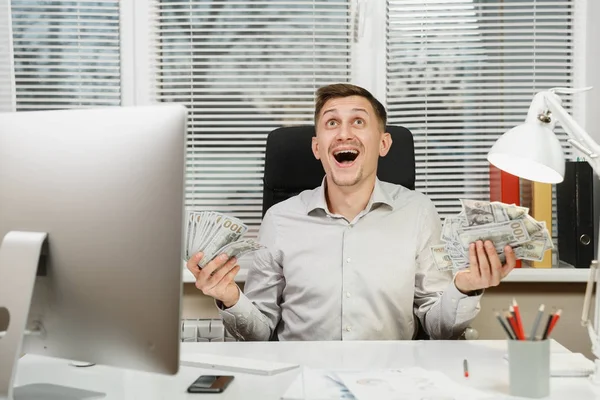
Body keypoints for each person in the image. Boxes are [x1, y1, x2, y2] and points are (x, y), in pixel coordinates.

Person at [186, 83, 516, 341]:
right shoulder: (279, 219)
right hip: (303, 380)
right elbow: (258, 333)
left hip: (391, 383)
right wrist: (228, 297)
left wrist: (466, 287)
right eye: (332, 123)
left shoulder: (418, 212)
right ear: (318, 147)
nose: (344, 133)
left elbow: (439, 328)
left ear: (383, 144)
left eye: (358, 121)